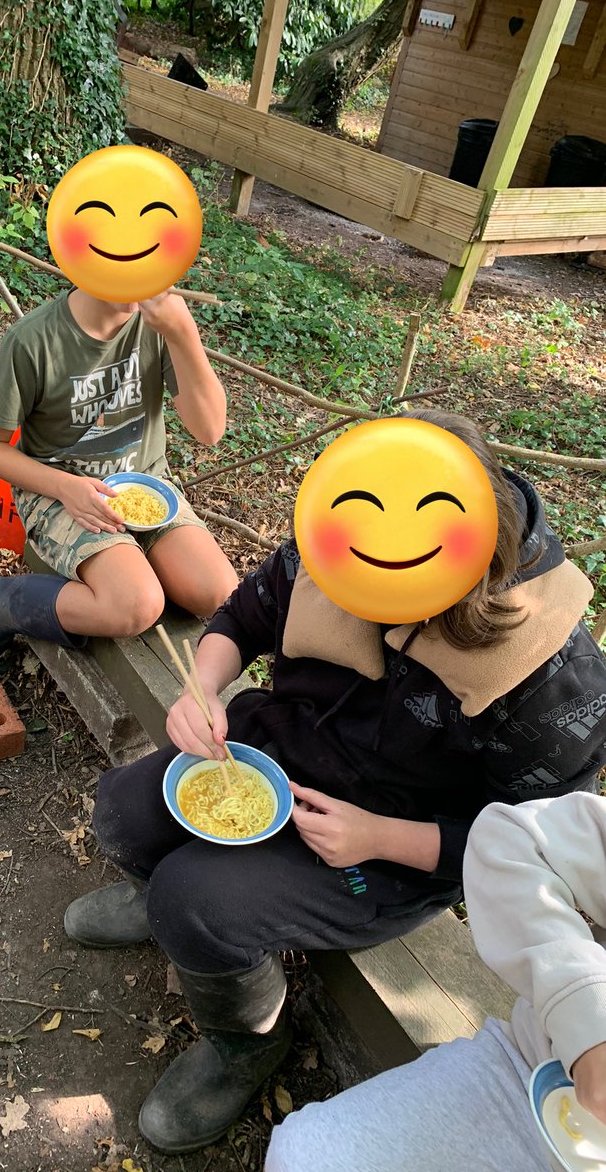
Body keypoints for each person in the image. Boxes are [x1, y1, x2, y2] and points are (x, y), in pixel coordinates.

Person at [62, 409, 606, 1154]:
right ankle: (151, 903)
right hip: (278, 746)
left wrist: (376, 837)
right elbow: (241, 619)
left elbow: (529, 847)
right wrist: (203, 688)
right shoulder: (349, 525)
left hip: (388, 846)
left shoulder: (552, 679)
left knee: (194, 899)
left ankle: (245, 1044)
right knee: (124, 811)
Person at [265, 791, 606, 1172]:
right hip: (542, 1074)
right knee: (301, 1155)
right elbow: (511, 836)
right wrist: (589, 1025)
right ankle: (249, 1050)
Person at [0, 286, 238, 659]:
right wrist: (65, 487)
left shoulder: (159, 325)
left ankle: (132, 565)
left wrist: (182, 331)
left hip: (146, 487)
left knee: (218, 592)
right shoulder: (33, 340)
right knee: (136, 605)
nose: (135, 281)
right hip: (60, 492)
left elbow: (210, 430)